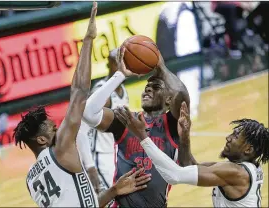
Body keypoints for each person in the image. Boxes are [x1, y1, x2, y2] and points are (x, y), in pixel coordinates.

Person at [13, 3, 151, 207]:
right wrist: (88, 39)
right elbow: (78, 92)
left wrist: (114, 190)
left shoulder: (31, 181)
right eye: (53, 129)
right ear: (42, 139)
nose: (59, 129)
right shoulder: (60, 149)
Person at [82, 47, 191, 207]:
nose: (148, 88)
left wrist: (161, 67)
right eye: (147, 86)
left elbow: (183, 97)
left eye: (156, 87)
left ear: (169, 101)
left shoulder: (172, 124)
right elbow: (87, 112)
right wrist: (120, 75)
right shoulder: (127, 118)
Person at [116, 102, 269, 207]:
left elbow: (175, 175)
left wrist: (142, 136)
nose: (228, 138)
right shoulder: (247, 167)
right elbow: (189, 166)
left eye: (235, 136)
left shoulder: (235, 172)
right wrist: (184, 136)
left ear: (248, 150)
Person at [81, 48, 129, 193]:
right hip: (99, 157)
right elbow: (81, 129)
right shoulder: (102, 92)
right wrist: (90, 166)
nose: (122, 67)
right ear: (110, 65)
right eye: (118, 63)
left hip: (115, 154)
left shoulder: (123, 91)